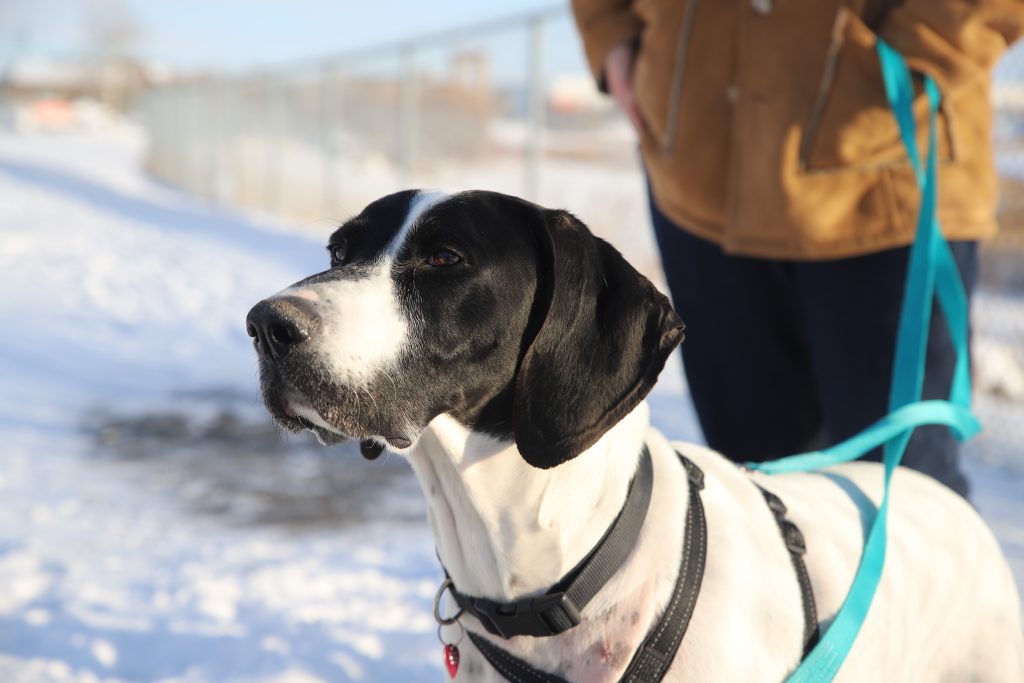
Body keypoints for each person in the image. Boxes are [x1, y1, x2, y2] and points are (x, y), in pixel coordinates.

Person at [572, 0, 1024, 498]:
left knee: (902, 505)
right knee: (757, 496)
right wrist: (609, 30)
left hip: (889, 179)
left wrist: (923, 44)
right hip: (700, 171)